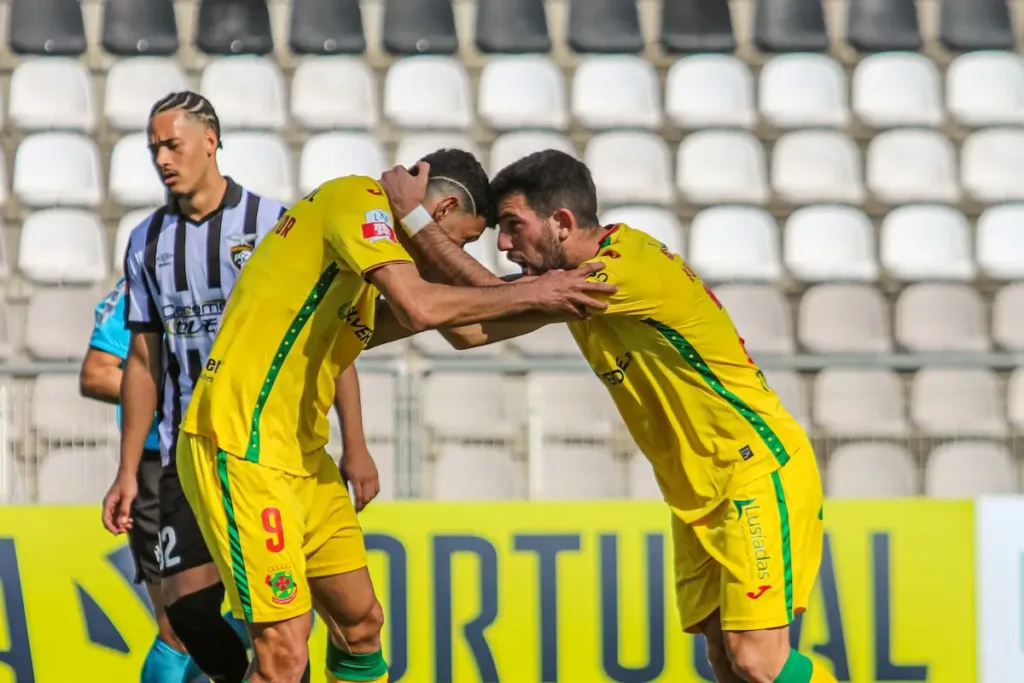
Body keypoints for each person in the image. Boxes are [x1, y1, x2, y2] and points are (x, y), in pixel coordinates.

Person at [371, 149, 838, 683]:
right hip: (698, 491)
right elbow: (469, 329)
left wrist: (412, 221)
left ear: (562, 223)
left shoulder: (623, 267)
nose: (502, 244)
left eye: (513, 226)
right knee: (725, 661)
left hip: (753, 470)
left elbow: (492, 297)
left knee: (759, 659)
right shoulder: (573, 286)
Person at [173, 148, 616, 683]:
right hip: (243, 445)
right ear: (444, 206)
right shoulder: (356, 198)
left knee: (361, 624)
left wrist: (556, 304)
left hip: (303, 458)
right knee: (284, 653)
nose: (455, 254)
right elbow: (424, 306)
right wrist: (537, 290)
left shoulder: (358, 279)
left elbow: (464, 328)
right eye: (467, 240)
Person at [99, 90, 313, 683]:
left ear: (211, 141)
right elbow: (143, 361)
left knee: (290, 624)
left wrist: (356, 442)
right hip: (187, 457)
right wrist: (125, 470)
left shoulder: (273, 226)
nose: (163, 159)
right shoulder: (146, 241)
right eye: (154, 149)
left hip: (267, 453)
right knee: (187, 615)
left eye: (173, 144)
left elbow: (325, 341)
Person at [82, 280, 206, 683]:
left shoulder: (237, 265)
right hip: (160, 468)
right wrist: (181, 397)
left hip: (231, 460)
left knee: (266, 623)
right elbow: (97, 374)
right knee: (179, 631)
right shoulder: (144, 282)